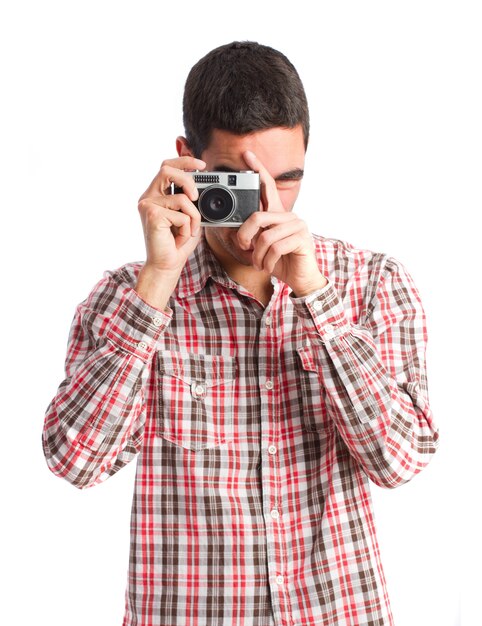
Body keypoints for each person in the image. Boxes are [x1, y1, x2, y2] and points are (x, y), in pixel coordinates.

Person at [42, 41, 439, 626]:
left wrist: (316, 300)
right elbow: (76, 462)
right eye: (237, 182)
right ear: (185, 160)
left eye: (286, 180)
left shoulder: (371, 282)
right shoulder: (128, 298)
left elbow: (400, 462)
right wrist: (156, 282)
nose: (265, 205)